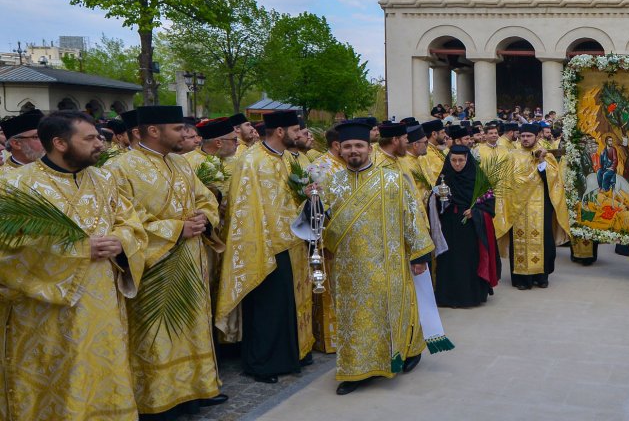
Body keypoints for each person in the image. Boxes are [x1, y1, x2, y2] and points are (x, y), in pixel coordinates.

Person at [0, 111, 147, 421]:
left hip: (103, 307)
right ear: (60, 142)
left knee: (103, 376)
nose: (101, 143)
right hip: (47, 312)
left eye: (99, 136)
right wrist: (78, 249)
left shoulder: (104, 178)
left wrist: (121, 241)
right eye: (90, 138)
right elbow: (6, 251)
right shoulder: (14, 184)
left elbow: (130, 223)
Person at [104, 104, 227, 418]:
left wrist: (204, 217)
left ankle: (192, 392)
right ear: (153, 131)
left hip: (191, 259)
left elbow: (205, 197)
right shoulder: (121, 168)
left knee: (191, 328)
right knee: (157, 334)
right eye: (177, 129)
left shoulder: (181, 163)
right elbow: (123, 221)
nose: (186, 134)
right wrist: (176, 229)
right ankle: (158, 401)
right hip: (154, 267)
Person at [319, 121, 434, 394]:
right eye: (347, 147)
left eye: (358, 145)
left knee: (391, 312)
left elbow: (411, 217)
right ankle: (356, 371)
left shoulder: (392, 179)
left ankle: (405, 352)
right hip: (347, 266)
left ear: (368, 148)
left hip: (387, 262)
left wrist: (420, 255)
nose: (353, 151)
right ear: (341, 150)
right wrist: (311, 205)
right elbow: (319, 222)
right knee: (353, 319)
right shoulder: (330, 183)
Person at [215, 109, 314, 384]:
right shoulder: (251, 162)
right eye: (295, 130)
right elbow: (243, 209)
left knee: (286, 306)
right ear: (280, 131)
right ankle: (262, 364)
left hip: (292, 243)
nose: (299, 134)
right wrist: (260, 245)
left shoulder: (286, 159)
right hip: (264, 246)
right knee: (266, 308)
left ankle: (289, 356)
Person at [495, 123, 570, 289]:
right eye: (522, 136)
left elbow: (553, 180)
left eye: (529, 136)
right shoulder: (512, 155)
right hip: (518, 207)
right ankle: (522, 279)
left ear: (537, 136)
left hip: (541, 206)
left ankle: (541, 277)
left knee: (543, 241)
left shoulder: (546, 155)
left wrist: (541, 161)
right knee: (520, 240)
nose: (525, 139)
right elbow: (507, 181)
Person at [433, 145, 499, 307]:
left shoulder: (479, 177)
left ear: (467, 160)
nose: (457, 164)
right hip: (449, 226)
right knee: (450, 261)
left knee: (469, 261)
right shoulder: (444, 177)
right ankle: (448, 296)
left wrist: (475, 212)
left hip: (470, 227)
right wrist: (439, 199)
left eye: (461, 160)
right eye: (453, 160)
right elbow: (435, 202)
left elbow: (489, 203)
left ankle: (470, 296)